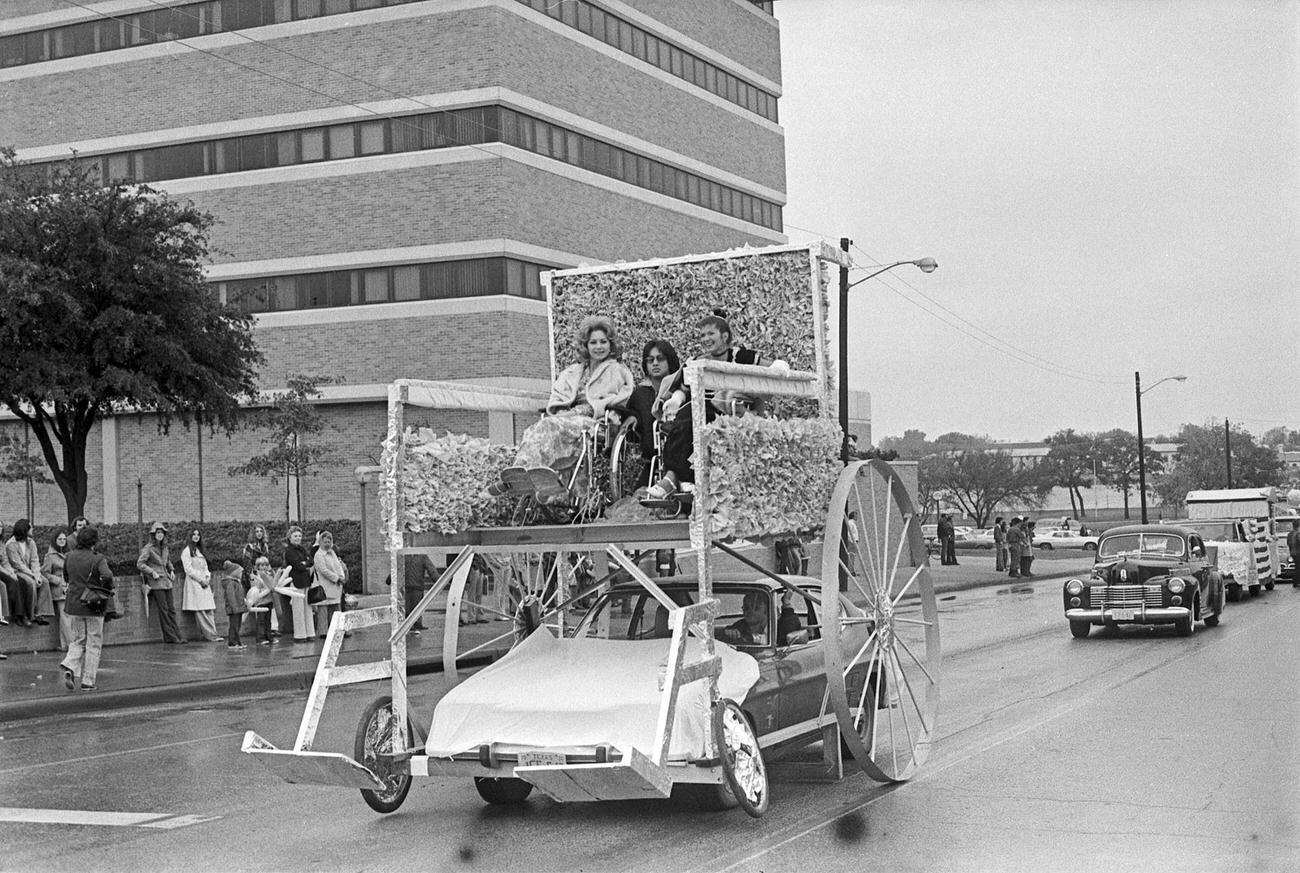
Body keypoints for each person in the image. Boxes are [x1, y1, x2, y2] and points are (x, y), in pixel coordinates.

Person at [498, 315, 634, 496]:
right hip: (568, 422)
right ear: (586, 345)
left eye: (603, 342)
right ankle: (528, 475)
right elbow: (558, 400)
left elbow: (622, 398)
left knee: (549, 425)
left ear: (611, 344)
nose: (599, 347)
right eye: (593, 342)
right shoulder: (573, 372)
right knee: (532, 430)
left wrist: (579, 411)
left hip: (596, 422)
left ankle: (521, 474)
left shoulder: (617, 371)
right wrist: (563, 413)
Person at [647, 313, 777, 500]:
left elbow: (774, 367)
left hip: (729, 410)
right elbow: (684, 388)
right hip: (697, 408)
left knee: (692, 418)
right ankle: (681, 479)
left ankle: (673, 478)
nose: (706, 339)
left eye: (710, 334)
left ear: (724, 336)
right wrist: (676, 399)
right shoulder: (698, 359)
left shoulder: (741, 355)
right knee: (683, 418)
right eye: (702, 335)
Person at [60, 525, 114, 691]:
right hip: (93, 605)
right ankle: (88, 681)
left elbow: (66, 577)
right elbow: (108, 575)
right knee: (94, 643)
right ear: (94, 542)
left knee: (77, 640)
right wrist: (103, 586)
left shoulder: (69, 556)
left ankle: (69, 664)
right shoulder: (98, 559)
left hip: (74, 605)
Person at [626, 339, 681, 483]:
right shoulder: (640, 394)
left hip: (678, 463)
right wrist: (631, 419)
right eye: (650, 360)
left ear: (670, 361)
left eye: (660, 359)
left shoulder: (681, 392)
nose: (655, 363)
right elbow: (631, 423)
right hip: (652, 463)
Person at [137, 521, 185, 644]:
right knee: (163, 610)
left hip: (167, 581)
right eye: (157, 532)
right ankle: (170, 637)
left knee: (171, 610)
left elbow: (167, 561)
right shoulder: (148, 548)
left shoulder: (165, 547)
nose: (160, 535)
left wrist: (172, 570)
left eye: (162, 533)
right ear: (153, 534)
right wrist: (152, 572)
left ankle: (178, 635)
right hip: (156, 582)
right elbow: (140, 564)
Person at [180, 529, 222, 642]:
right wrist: (200, 579)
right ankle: (210, 635)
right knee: (200, 611)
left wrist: (207, 578)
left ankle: (213, 633)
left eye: (198, 534)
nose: (196, 536)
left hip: (204, 583)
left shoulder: (200, 550)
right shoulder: (186, 551)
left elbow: (206, 568)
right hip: (194, 583)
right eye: (193, 534)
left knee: (209, 609)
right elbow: (188, 569)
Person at [241, 524, 282, 635]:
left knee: (269, 599)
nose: (259, 533)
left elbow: (267, 561)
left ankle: (272, 628)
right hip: (255, 576)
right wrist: (251, 576)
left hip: (265, 576)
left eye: (261, 531)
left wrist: (270, 574)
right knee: (258, 600)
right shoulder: (249, 546)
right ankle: (260, 630)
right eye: (257, 531)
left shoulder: (265, 546)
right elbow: (247, 563)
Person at [7, 519, 50, 626]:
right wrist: (34, 576)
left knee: (44, 582)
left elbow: (34, 560)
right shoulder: (11, 544)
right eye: (31, 527)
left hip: (30, 571)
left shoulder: (31, 542)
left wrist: (37, 575)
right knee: (30, 583)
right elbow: (18, 564)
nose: (33, 529)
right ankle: (31, 614)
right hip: (17, 571)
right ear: (24, 530)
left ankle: (40, 613)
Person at [282, 526, 315, 642]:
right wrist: (305, 564)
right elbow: (298, 566)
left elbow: (311, 561)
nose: (298, 538)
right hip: (296, 583)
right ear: (290, 537)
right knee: (298, 610)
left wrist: (304, 563)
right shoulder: (289, 552)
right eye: (295, 536)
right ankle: (300, 635)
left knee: (307, 609)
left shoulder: (302, 549)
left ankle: (310, 633)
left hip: (306, 582)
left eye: (299, 536)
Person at [311, 530, 346, 638]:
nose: (327, 544)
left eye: (329, 542)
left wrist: (342, 577)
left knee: (336, 608)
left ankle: (338, 629)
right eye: (325, 542)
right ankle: (323, 632)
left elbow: (338, 566)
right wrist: (336, 578)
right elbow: (323, 570)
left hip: (335, 586)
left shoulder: (332, 552)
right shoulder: (319, 555)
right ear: (320, 542)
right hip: (325, 585)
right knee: (323, 610)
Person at [42, 530, 72, 651]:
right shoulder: (50, 556)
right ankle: (71, 644)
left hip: (69, 586)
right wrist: (58, 580)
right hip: (59, 589)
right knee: (66, 616)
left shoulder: (69, 554)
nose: (62, 541)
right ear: (55, 540)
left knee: (65, 616)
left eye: (64, 539)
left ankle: (64, 644)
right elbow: (44, 572)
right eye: (60, 539)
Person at [244, 556, 277, 645]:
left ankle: (269, 636)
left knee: (268, 620)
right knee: (261, 620)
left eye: (266, 565)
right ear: (257, 566)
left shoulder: (269, 574)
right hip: (261, 601)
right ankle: (260, 638)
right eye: (261, 565)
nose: (264, 567)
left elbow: (273, 583)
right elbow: (256, 587)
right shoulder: (255, 576)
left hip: (269, 600)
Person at [218, 560, 248, 649]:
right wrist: (235, 608)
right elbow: (231, 597)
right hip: (235, 609)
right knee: (234, 626)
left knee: (237, 626)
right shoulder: (231, 583)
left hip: (238, 608)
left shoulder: (236, 582)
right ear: (234, 573)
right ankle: (232, 642)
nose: (241, 574)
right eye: (239, 572)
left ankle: (237, 642)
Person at [1288, 520, 1300, 589]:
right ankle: (1296, 582)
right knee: (1298, 568)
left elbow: (1288, 544)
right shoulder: (1298, 533)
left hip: (1293, 552)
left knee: (1297, 567)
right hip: (1298, 552)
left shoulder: (1289, 534)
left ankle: (1295, 582)